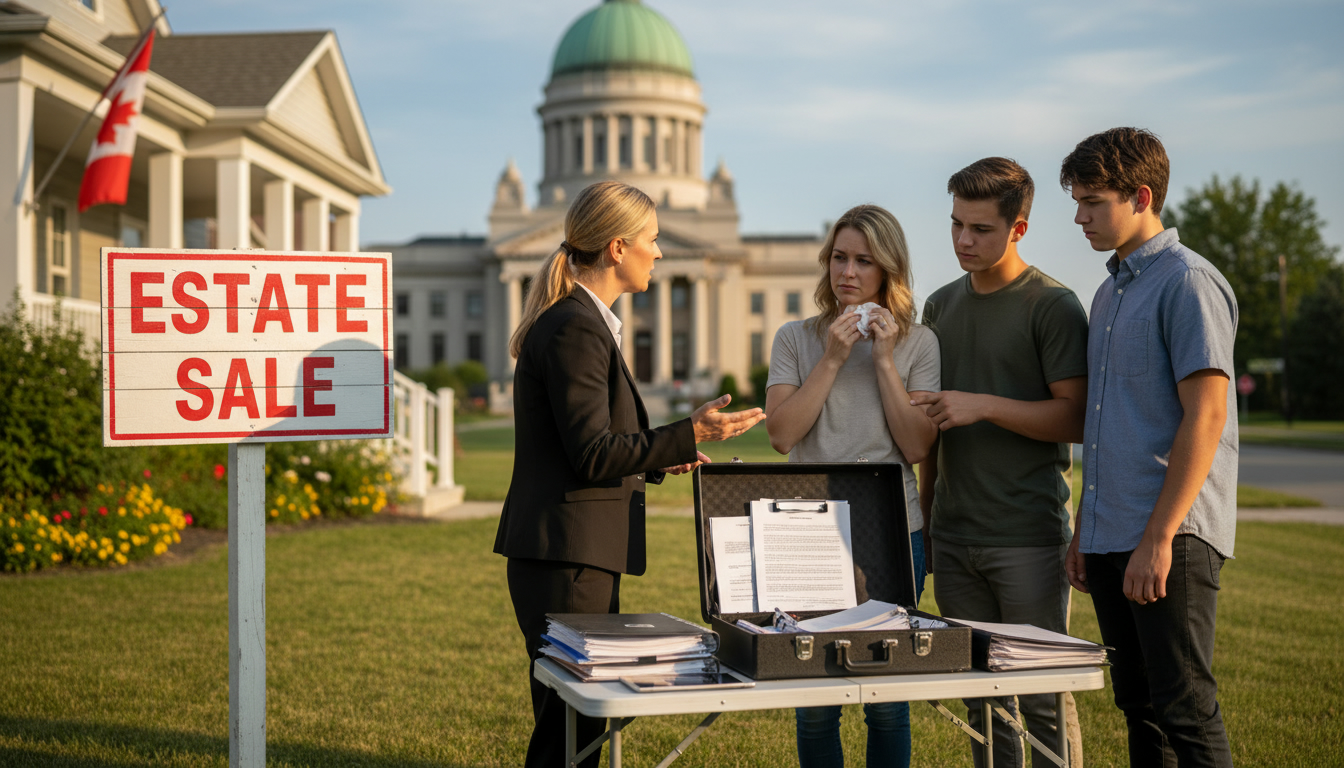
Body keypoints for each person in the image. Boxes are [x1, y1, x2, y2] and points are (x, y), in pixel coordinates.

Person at [493, 180, 767, 768]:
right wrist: (687, 433)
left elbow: (593, 445)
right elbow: (592, 453)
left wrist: (666, 452)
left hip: (574, 551)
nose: (660, 252)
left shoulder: (581, 323)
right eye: (652, 239)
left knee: (573, 723)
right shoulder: (575, 328)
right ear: (618, 248)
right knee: (571, 728)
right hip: (566, 554)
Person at [1061, 127, 1238, 767]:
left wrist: (1158, 538)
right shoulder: (1109, 293)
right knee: (1139, 707)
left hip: (1171, 537)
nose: (1079, 217)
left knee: (1185, 709)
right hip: (1111, 534)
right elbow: (1111, 426)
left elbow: (1207, 415)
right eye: (1076, 202)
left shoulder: (1188, 282)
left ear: (1140, 196)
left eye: (1092, 202)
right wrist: (1087, 526)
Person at [913, 157, 1088, 768]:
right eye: (956, 224)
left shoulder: (1054, 306)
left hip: (1027, 537)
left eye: (981, 229)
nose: (963, 240)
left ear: (1019, 229)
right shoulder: (938, 306)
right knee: (980, 700)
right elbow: (933, 431)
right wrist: (928, 519)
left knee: (1040, 697)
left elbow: (1075, 419)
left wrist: (981, 405)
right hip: (954, 537)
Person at [764, 204, 940, 768]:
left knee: (887, 700)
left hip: (894, 528)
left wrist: (884, 361)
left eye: (864, 261)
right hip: (809, 534)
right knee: (815, 698)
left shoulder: (920, 343)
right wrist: (835, 357)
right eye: (839, 258)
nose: (848, 272)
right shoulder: (796, 337)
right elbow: (782, 434)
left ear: (888, 270)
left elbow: (916, 447)